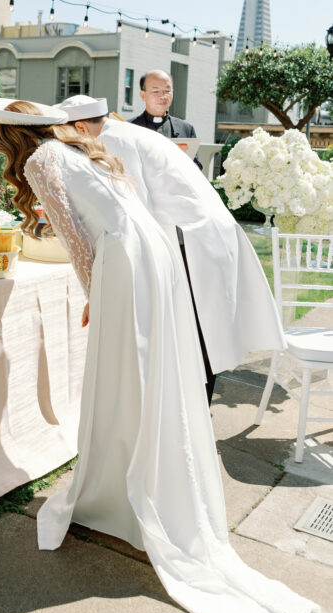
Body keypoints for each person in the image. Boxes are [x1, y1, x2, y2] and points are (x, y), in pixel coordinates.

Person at [0, 94, 320, 613]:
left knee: (123, 375)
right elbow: (123, 206)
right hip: (152, 253)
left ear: (10, 138)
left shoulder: (41, 162)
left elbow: (74, 236)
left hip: (123, 260)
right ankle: (132, 484)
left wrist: (93, 291)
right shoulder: (80, 149)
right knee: (143, 373)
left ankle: (126, 491)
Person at [53, 94, 287, 406]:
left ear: (81, 127)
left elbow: (134, 209)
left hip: (195, 239)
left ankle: (192, 421)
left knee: (195, 337)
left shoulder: (114, 142)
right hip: (200, 234)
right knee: (196, 336)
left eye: (66, 136)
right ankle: (189, 417)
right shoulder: (124, 133)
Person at [131, 69, 202, 169]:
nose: (163, 96)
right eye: (156, 91)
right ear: (143, 95)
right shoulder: (129, 127)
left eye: (167, 91)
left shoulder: (186, 128)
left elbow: (196, 167)